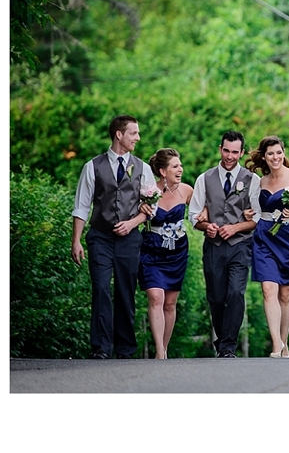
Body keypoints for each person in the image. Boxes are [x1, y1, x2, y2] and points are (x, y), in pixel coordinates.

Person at [71, 114, 155, 359]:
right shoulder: (92, 166)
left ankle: (125, 348)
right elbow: (81, 206)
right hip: (100, 237)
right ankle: (100, 348)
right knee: (100, 289)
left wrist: (132, 223)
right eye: (134, 133)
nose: (138, 138)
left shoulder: (143, 168)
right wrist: (75, 240)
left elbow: (151, 209)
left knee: (125, 291)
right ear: (119, 134)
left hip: (129, 239)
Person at [189, 131, 260, 358]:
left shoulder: (252, 180)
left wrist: (235, 227)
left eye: (235, 152)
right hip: (214, 246)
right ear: (220, 149)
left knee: (236, 293)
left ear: (241, 152)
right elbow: (194, 215)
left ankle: (228, 345)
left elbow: (257, 218)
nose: (230, 156)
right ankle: (222, 342)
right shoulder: (204, 179)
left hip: (240, 246)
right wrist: (206, 226)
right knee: (216, 297)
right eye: (226, 151)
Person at [245, 136, 289, 358]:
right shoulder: (260, 182)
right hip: (264, 236)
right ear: (264, 157)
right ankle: (276, 344)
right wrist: (249, 214)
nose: (275, 157)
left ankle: (284, 343)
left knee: (285, 294)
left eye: (278, 153)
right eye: (270, 154)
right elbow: (254, 210)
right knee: (269, 289)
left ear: (283, 153)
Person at [138, 148, 194, 359]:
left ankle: (165, 347)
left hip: (177, 251)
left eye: (180, 165)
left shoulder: (187, 191)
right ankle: (159, 352)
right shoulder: (148, 192)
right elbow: (137, 213)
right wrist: (141, 208)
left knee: (170, 303)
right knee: (156, 297)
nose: (180, 169)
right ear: (162, 171)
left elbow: (202, 211)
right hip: (152, 248)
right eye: (175, 166)